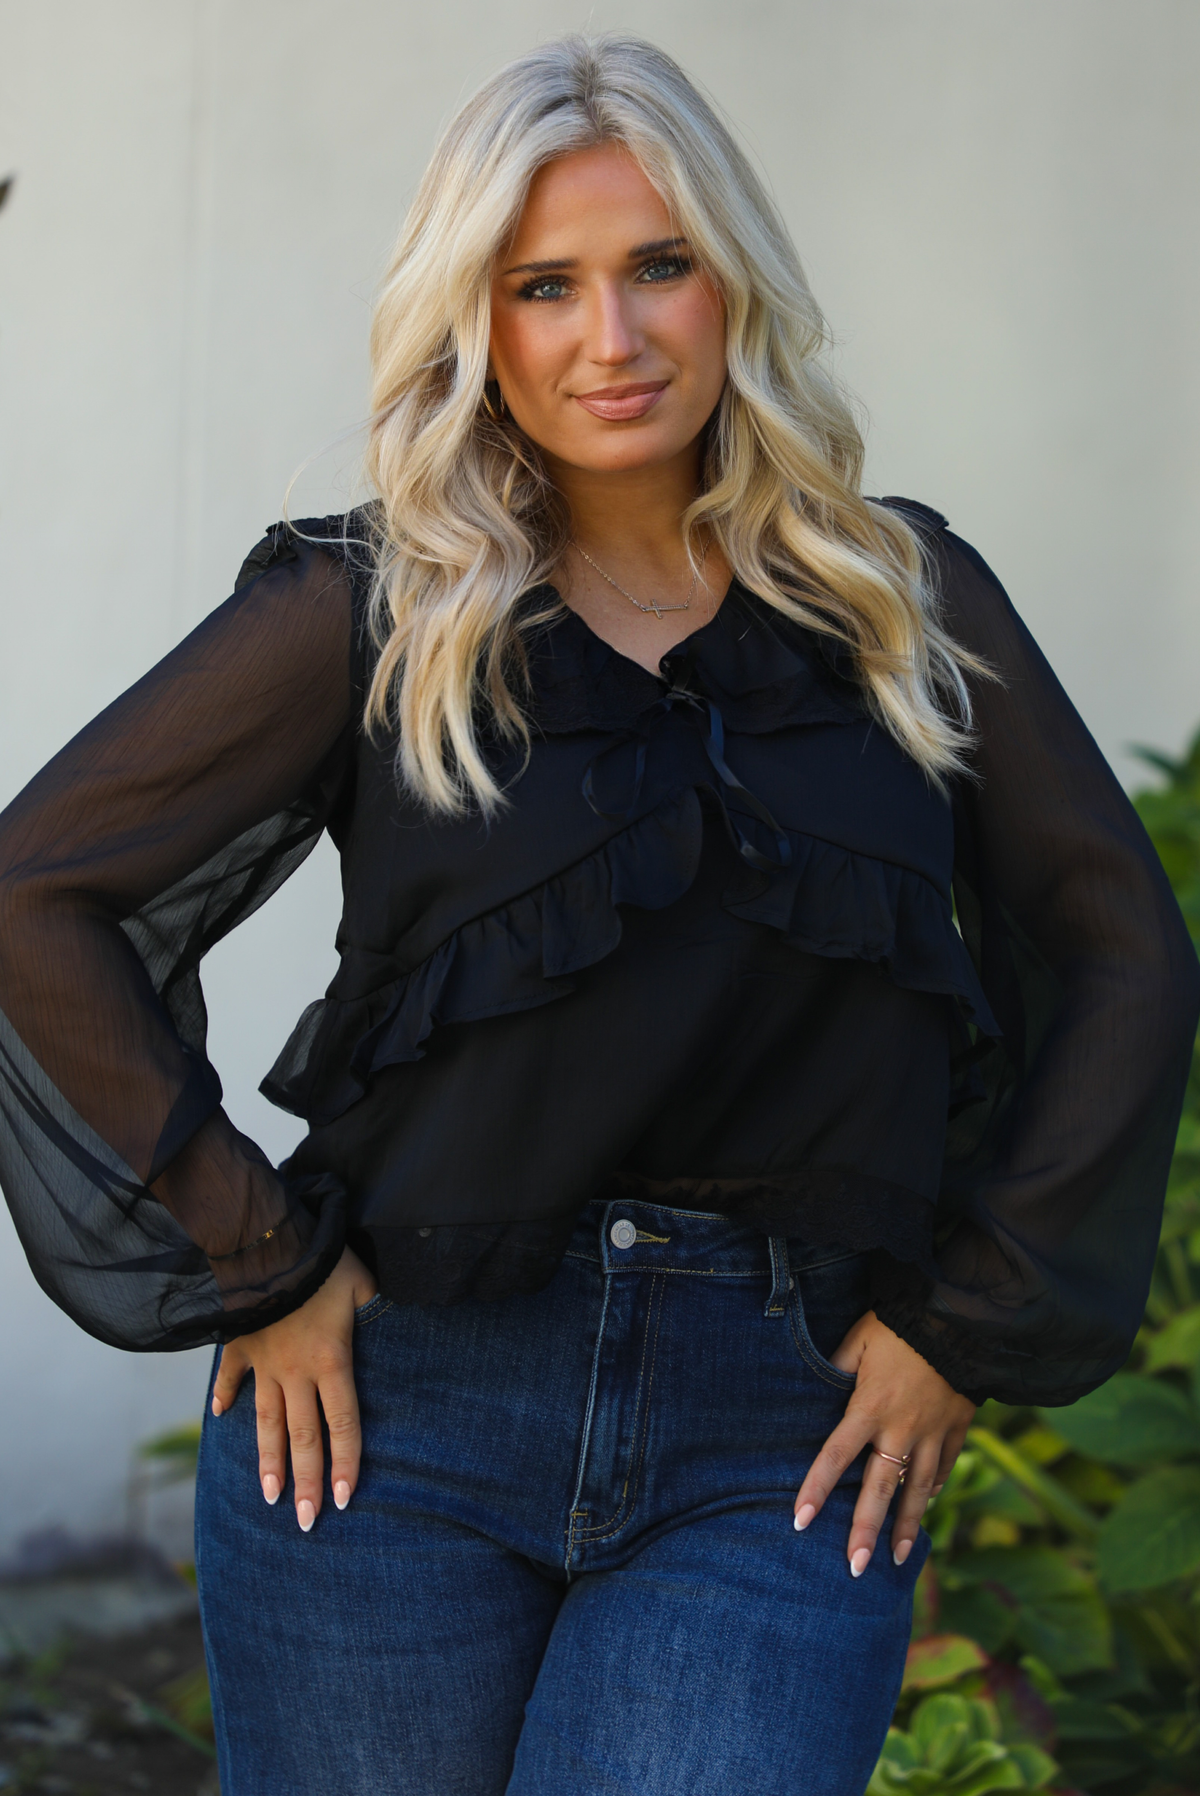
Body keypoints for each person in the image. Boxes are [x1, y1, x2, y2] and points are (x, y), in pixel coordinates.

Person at [0, 32, 1194, 1796]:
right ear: (471, 319)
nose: (610, 340)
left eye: (658, 267)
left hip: (778, 1442)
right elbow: (37, 892)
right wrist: (255, 1263)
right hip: (390, 1424)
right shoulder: (374, 607)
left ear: (735, 283)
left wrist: (973, 1315)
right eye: (540, 285)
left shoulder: (902, 603)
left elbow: (1124, 946)